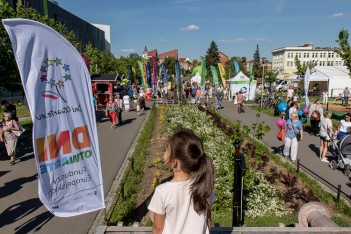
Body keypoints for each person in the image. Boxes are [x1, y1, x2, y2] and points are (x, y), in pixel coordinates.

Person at [148, 129, 215, 234]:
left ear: (173, 162)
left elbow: (157, 229)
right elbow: (208, 221)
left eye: (166, 150)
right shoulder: (204, 186)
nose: (164, 152)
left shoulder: (162, 191)